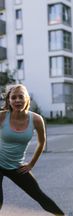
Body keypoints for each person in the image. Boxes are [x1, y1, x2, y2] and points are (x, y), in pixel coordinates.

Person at [0, 84, 64, 216]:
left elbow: (42, 142)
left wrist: (31, 164)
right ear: (9, 101)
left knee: (39, 196)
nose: (17, 100)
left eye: (21, 97)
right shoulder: (2, 116)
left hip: (17, 166)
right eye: (13, 97)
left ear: (27, 99)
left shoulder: (36, 119)